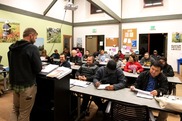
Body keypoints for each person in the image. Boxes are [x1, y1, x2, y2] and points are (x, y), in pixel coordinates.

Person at [8, 28, 42, 121]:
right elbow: (38, 69)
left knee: (15, 109)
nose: (35, 40)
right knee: (24, 113)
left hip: (15, 84)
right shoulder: (32, 48)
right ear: (31, 35)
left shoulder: (12, 47)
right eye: (35, 38)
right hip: (27, 85)